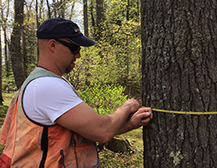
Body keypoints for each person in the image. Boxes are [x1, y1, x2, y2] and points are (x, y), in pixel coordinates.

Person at [0, 17, 152, 168]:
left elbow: (89, 131)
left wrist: (129, 124)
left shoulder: (42, 82)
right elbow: (102, 130)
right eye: (75, 48)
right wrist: (126, 108)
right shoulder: (46, 86)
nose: (78, 55)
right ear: (52, 45)